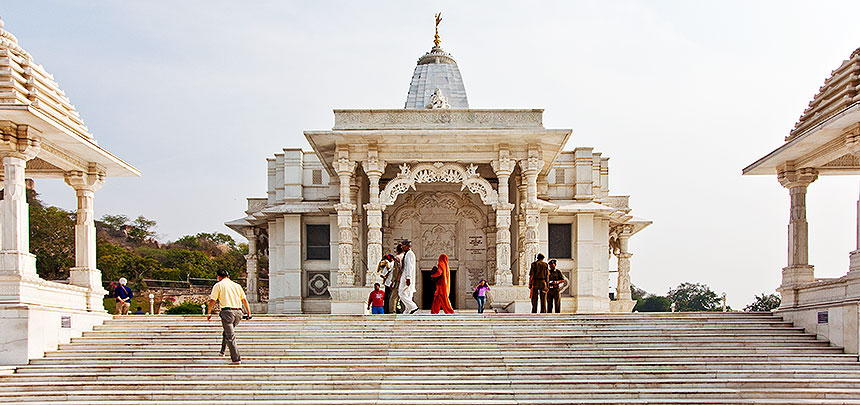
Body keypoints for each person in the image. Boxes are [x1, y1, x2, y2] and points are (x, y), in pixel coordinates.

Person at [206, 269, 251, 365]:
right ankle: (222, 351)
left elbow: (212, 300)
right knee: (227, 332)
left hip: (227, 312)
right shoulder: (237, 286)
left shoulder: (218, 285)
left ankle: (236, 359)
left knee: (230, 336)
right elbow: (244, 300)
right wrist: (249, 313)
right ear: (228, 276)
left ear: (218, 277)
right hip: (238, 312)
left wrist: (209, 312)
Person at [398, 240, 419, 314]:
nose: (402, 248)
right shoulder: (408, 254)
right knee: (408, 293)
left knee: (401, 292)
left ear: (407, 246)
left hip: (407, 275)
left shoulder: (409, 254)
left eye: (403, 246)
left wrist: (408, 277)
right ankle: (408, 310)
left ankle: (413, 306)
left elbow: (409, 266)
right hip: (407, 275)